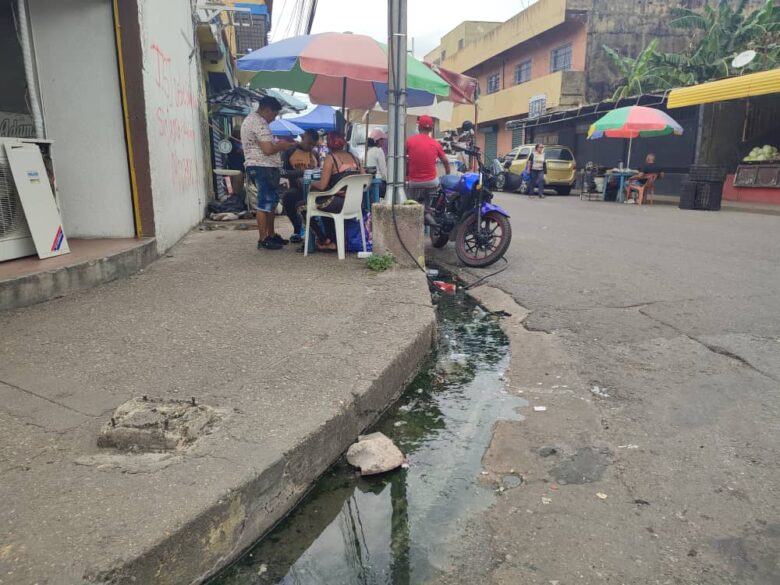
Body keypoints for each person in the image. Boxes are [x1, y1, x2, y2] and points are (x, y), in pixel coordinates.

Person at [241, 96, 295, 250]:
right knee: (264, 203)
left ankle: (271, 235)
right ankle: (263, 238)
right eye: (274, 114)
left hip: (261, 166)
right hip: (262, 166)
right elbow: (267, 149)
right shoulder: (259, 123)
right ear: (266, 110)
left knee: (270, 202)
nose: (274, 118)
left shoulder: (252, 120)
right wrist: (282, 146)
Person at [301, 131, 363, 251]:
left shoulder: (331, 158)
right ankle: (333, 241)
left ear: (329, 144)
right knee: (325, 203)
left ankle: (323, 240)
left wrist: (312, 184)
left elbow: (323, 185)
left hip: (338, 203)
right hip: (355, 204)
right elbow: (364, 179)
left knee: (300, 206)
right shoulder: (355, 158)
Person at [406, 115, 450, 225]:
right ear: (431, 129)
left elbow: (403, 159)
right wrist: (447, 174)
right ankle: (430, 213)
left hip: (414, 183)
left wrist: (406, 174)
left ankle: (414, 216)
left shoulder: (409, 141)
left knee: (411, 205)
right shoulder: (435, 143)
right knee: (436, 195)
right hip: (431, 182)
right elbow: (445, 161)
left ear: (418, 127)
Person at [281, 129, 320, 243]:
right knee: (288, 198)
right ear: (303, 137)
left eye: (313, 144)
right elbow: (282, 171)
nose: (310, 147)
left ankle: (317, 232)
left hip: (314, 189)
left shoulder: (315, 153)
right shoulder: (289, 151)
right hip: (297, 189)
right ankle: (298, 229)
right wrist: (300, 173)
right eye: (309, 143)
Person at [366, 128, 388, 198]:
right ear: (378, 140)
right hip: (379, 183)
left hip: (368, 182)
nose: (383, 142)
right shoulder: (379, 151)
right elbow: (383, 171)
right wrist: (389, 182)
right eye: (382, 140)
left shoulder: (367, 151)